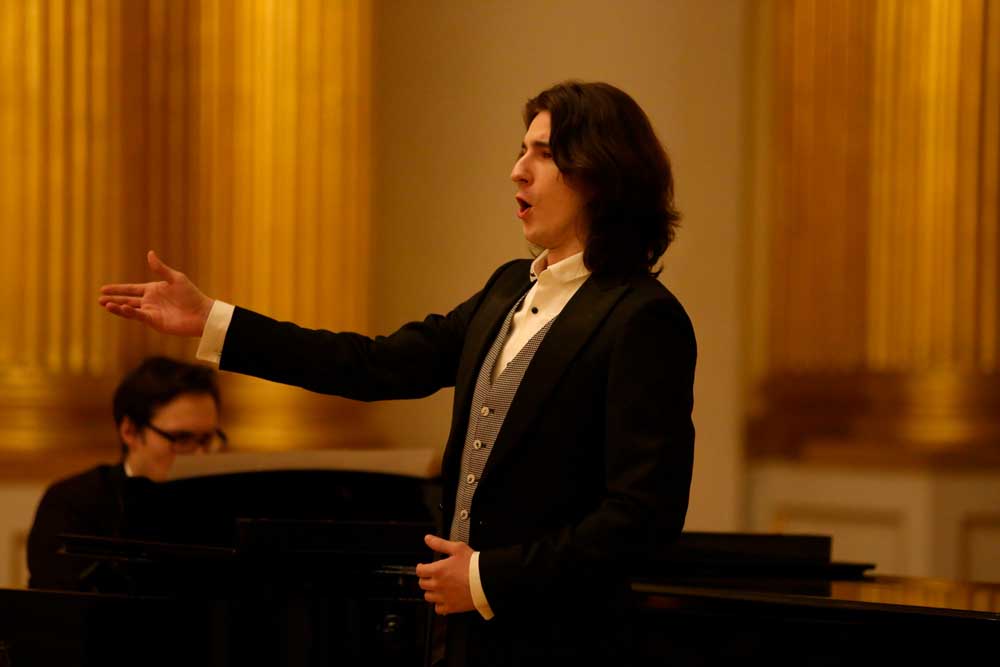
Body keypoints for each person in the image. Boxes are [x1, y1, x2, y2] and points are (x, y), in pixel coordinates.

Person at [98, 81, 695, 665]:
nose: (518, 171)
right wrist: (213, 321)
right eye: (522, 150)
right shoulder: (508, 289)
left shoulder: (641, 317)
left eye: (543, 154)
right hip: (462, 640)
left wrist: (487, 577)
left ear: (598, 174)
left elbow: (643, 517)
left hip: (566, 643)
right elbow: (374, 365)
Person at [27, 356, 225, 591]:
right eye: (181, 438)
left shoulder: (222, 507)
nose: (200, 456)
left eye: (207, 440)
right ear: (130, 431)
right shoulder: (71, 504)